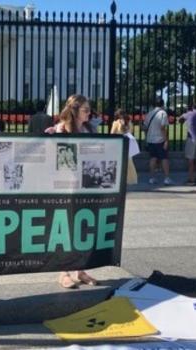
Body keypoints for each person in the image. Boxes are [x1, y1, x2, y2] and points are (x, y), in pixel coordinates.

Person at [45, 94, 98, 289]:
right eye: (85, 110)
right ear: (74, 110)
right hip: (64, 185)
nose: (89, 113)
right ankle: (63, 272)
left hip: (84, 184)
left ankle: (80, 269)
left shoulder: (89, 129)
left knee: (82, 226)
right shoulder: (60, 129)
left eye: (89, 109)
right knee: (64, 227)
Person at [144, 97, 173, 185]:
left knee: (153, 158)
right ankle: (167, 178)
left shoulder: (149, 113)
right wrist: (166, 140)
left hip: (150, 139)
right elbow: (163, 128)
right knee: (164, 158)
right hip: (160, 139)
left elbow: (145, 127)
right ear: (163, 104)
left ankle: (152, 178)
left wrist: (146, 138)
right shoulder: (163, 113)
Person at [179, 102, 196, 186]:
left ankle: (191, 179)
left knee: (190, 160)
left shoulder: (189, 114)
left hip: (191, 139)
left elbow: (180, 119)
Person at [110, 108, 138, 185]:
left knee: (118, 162)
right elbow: (130, 132)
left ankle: (119, 179)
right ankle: (130, 179)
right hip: (127, 143)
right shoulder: (129, 123)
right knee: (129, 161)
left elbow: (112, 134)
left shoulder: (116, 123)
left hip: (118, 144)